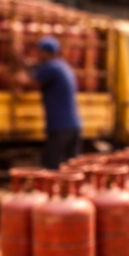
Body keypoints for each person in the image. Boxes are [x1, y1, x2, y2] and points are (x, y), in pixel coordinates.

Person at [32, 37, 81, 169]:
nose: (37, 55)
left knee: (52, 167)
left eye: (39, 52)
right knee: (71, 167)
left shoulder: (51, 67)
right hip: (72, 125)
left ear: (45, 53)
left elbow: (30, 81)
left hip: (60, 127)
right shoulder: (62, 66)